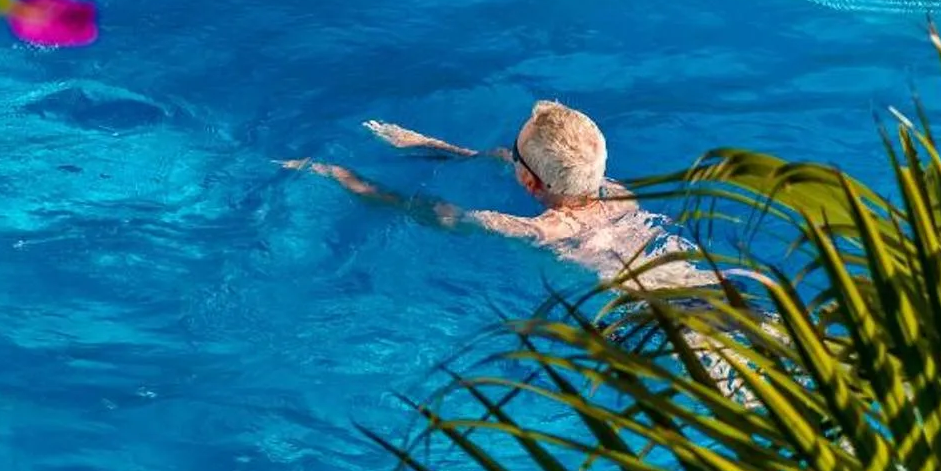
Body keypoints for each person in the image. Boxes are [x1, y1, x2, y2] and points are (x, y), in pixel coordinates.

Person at [285, 100, 710, 288]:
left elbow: (429, 212)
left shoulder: (544, 231)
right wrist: (425, 144)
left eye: (515, 155)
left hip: (661, 317)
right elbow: (503, 158)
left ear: (530, 183)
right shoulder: (621, 195)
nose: (507, 155)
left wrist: (342, 177)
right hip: (705, 280)